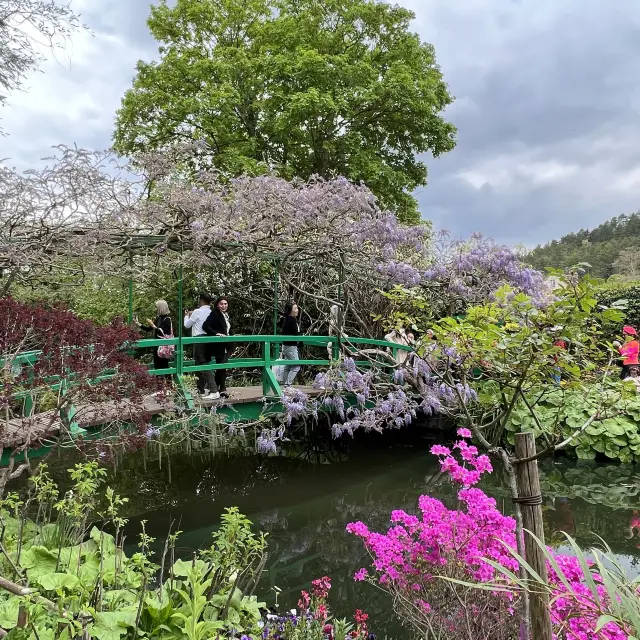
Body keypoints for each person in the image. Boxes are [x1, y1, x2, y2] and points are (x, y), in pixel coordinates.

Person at [184, 293, 218, 399]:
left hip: (199, 339)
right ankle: (200, 390)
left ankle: (214, 390)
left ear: (201, 300)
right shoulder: (211, 312)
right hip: (208, 339)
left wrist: (186, 315)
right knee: (198, 363)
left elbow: (187, 325)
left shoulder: (197, 312)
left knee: (203, 363)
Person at [202, 296, 231, 398]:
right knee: (221, 367)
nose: (224, 306)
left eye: (225, 304)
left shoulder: (225, 315)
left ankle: (219, 390)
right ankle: (219, 390)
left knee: (222, 367)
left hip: (225, 344)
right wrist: (216, 333)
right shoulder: (215, 313)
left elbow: (226, 329)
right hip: (218, 345)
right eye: (221, 304)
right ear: (217, 305)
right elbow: (205, 326)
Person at [136, 300, 173, 371]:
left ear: (160, 308)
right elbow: (149, 329)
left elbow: (163, 333)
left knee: (164, 367)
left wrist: (152, 325)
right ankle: (159, 382)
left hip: (164, 348)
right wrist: (138, 324)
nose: (155, 309)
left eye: (156, 307)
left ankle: (168, 382)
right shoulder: (158, 318)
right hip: (157, 347)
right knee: (157, 367)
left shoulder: (167, 319)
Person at [281, 302, 302, 386]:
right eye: (295, 308)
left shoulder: (286, 319)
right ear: (291, 310)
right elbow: (295, 333)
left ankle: (284, 384)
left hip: (285, 346)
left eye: (297, 308)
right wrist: (301, 335)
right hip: (290, 346)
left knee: (288, 366)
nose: (297, 310)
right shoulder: (292, 320)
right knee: (296, 366)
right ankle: (287, 384)